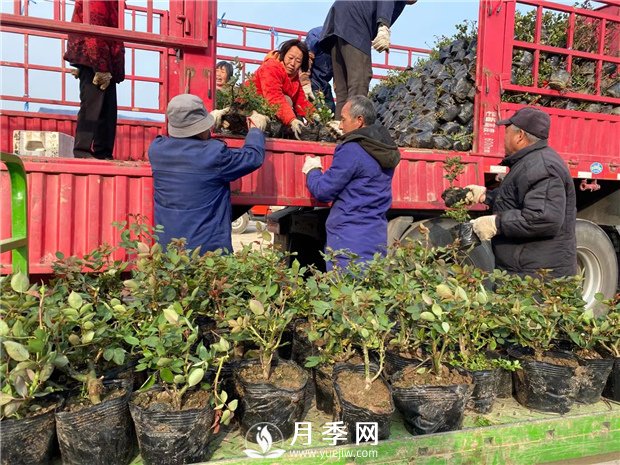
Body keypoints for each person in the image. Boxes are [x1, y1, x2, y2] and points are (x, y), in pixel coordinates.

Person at [149, 94, 269, 254]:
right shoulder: (214, 154)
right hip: (208, 254)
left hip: (169, 251)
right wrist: (255, 130)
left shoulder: (156, 149)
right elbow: (253, 157)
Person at [467, 107, 577, 278]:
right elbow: (518, 200)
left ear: (520, 136)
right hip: (524, 267)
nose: (504, 137)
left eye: (507, 132)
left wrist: (497, 223)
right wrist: (485, 196)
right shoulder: (529, 162)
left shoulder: (542, 167)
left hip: (537, 275)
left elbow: (543, 218)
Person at [302, 95, 400, 270]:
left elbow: (324, 191)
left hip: (349, 242)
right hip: (375, 238)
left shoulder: (352, 150)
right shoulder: (384, 149)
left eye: (343, 119)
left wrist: (312, 171)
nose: (340, 125)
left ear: (359, 120)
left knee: (345, 292)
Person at [319, 0, 417, 120]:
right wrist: (383, 26)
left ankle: (340, 126)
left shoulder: (401, 3)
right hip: (355, 20)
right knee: (360, 80)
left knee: (343, 88)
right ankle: (352, 130)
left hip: (338, 22)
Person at [64, 0, 125, 159]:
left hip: (101, 56)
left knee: (106, 108)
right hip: (95, 56)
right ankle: (83, 151)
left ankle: (103, 152)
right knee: (93, 105)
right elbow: (94, 26)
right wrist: (101, 66)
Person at [251, 39, 316, 139]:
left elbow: (301, 102)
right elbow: (274, 98)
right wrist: (291, 120)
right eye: (290, 58)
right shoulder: (271, 67)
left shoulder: (294, 78)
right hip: (252, 110)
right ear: (283, 54)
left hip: (270, 111)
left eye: (298, 61)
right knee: (287, 100)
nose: (292, 63)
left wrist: (316, 116)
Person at [301, 27, 335, 114]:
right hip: (312, 81)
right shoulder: (316, 35)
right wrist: (305, 82)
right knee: (318, 113)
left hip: (324, 83)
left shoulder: (343, 38)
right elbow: (307, 59)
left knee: (331, 111)